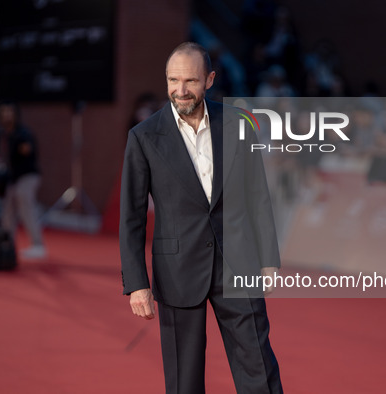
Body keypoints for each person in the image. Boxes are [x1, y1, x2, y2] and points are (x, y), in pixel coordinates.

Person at [119, 42, 283, 393]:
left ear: (209, 79)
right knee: (184, 382)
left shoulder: (239, 124)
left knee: (260, 371)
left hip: (238, 264)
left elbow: (258, 196)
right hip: (177, 269)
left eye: (190, 81)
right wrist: (136, 283)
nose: (180, 90)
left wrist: (268, 260)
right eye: (173, 80)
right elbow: (131, 217)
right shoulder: (144, 137)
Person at [0, 101, 46, 259]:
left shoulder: (22, 134)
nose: (7, 115)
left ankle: (38, 244)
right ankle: (7, 244)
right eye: (4, 112)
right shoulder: (4, 134)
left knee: (25, 207)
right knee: (8, 210)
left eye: (10, 112)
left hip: (27, 176)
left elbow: (27, 150)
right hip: (13, 178)